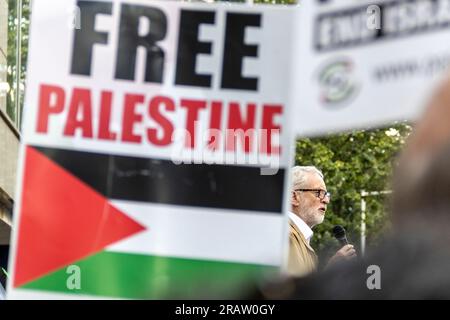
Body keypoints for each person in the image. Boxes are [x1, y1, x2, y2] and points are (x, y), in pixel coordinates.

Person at [287, 166, 356, 277]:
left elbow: (304, 288)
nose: (326, 200)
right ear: (294, 197)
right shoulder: (287, 236)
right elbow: (295, 293)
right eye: (318, 193)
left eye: (326, 194)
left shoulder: (297, 236)